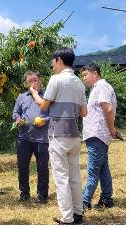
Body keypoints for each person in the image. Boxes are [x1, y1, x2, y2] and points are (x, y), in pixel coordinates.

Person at [30, 47, 87, 225]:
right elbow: (84, 113)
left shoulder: (56, 80)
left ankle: (67, 219)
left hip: (58, 135)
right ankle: (78, 213)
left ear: (60, 60)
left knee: (61, 178)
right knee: (75, 177)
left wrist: (34, 93)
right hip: (74, 135)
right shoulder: (79, 82)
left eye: (53, 61)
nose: (52, 64)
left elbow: (43, 106)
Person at [81, 63, 117, 210]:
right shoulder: (100, 87)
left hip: (97, 135)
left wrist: (112, 129)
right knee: (103, 168)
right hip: (99, 136)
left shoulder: (101, 86)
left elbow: (107, 109)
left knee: (92, 171)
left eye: (85, 75)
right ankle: (107, 198)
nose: (83, 78)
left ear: (94, 74)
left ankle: (83, 203)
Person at [12, 70, 49, 204]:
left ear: (40, 80)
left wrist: (46, 119)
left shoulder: (47, 96)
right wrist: (18, 118)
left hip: (42, 138)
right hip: (24, 138)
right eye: (30, 81)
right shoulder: (21, 97)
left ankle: (42, 195)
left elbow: (54, 114)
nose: (33, 83)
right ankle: (24, 193)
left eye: (35, 80)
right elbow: (15, 112)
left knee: (42, 167)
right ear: (26, 84)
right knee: (22, 166)